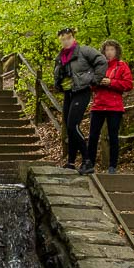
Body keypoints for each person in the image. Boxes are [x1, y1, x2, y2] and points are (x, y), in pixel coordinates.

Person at [53, 27, 107, 170]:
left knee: (73, 125)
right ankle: (71, 162)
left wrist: (94, 80)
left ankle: (87, 160)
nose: (66, 41)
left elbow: (102, 61)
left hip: (82, 91)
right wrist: (58, 84)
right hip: (68, 93)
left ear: (73, 37)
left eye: (68, 38)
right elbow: (58, 74)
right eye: (63, 39)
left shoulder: (84, 51)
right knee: (69, 127)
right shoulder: (60, 57)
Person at [80, 39, 134, 175]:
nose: (109, 52)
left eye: (112, 50)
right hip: (98, 106)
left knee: (113, 137)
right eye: (107, 50)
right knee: (92, 137)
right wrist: (97, 82)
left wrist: (111, 82)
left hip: (114, 107)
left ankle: (112, 166)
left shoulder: (122, 66)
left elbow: (128, 85)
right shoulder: (97, 66)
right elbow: (89, 84)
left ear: (117, 51)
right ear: (102, 52)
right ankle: (89, 164)